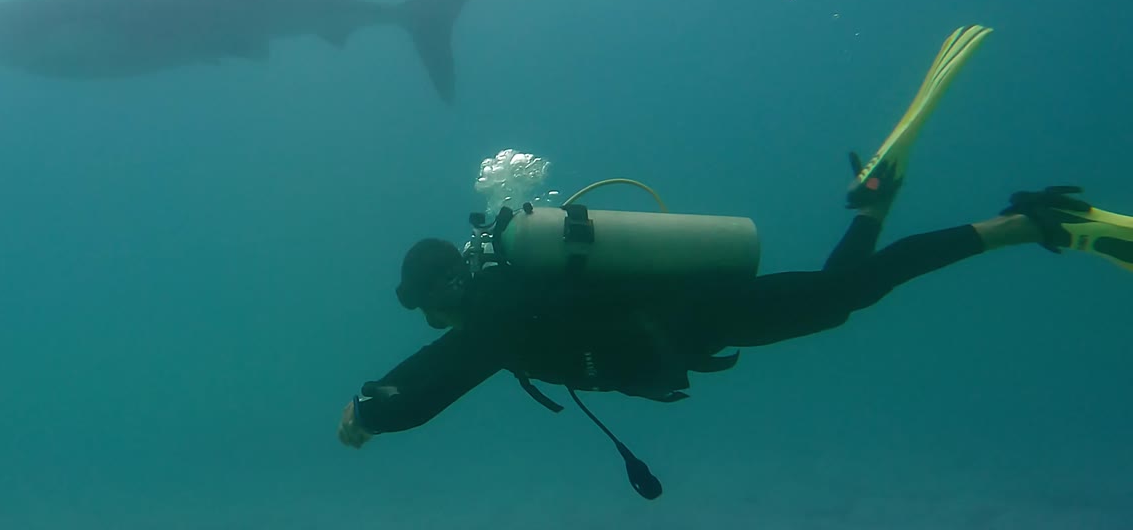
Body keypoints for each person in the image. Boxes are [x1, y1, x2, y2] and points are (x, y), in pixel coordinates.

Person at [336, 163, 1131, 497]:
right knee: (841, 296)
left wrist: (373, 409)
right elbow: (456, 353)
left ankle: (1026, 224)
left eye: (424, 302)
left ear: (441, 286)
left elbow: (446, 365)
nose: (432, 316)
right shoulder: (505, 298)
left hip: (694, 319)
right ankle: (875, 207)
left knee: (851, 291)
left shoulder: (495, 307)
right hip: (690, 322)